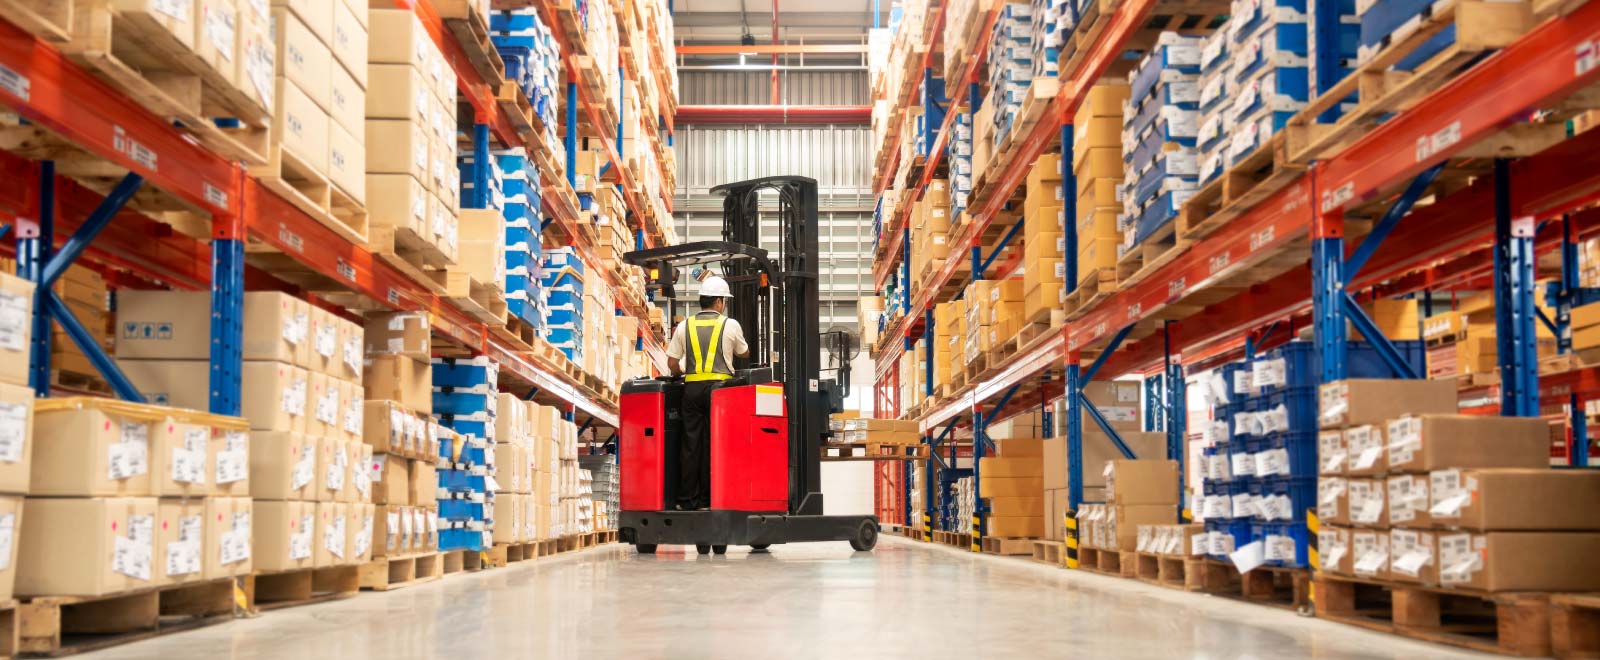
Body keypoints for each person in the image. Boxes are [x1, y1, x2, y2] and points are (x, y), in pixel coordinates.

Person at [664, 276, 749, 511]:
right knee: (717, 444)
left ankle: (688, 500)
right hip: (720, 393)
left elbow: (672, 363)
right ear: (720, 302)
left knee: (691, 445)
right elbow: (744, 352)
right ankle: (712, 499)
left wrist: (683, 371)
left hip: (691, 391)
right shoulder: (730, 325)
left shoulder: (684, 326)